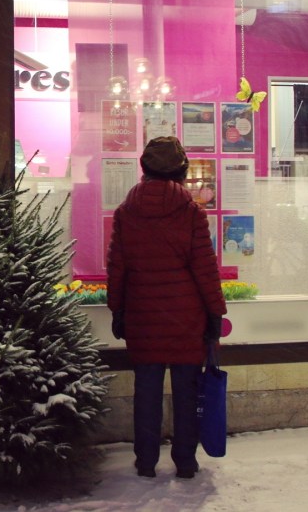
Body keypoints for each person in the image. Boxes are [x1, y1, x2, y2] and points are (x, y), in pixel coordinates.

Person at [106, 136, 226, 479]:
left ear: (144, 168)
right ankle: (185, 461)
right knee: (187, 393)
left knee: (146, 393)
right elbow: (205, 269)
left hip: (143, 317)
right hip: (186, 319)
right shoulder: (191, 213)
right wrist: (215, 313)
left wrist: (118, 310)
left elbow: (118, 267)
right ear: (181, 170)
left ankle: (146, 461)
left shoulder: (126, 213)